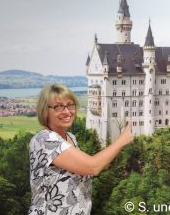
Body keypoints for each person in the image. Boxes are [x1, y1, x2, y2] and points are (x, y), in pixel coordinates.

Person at [28, 84, 134, 215]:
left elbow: (92, 166)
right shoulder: (45, 139)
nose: (67, 111)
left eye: (70, 105)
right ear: (45, 111)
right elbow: (93, 167)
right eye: (58, 107)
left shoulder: (70, 138)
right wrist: (121, 141)